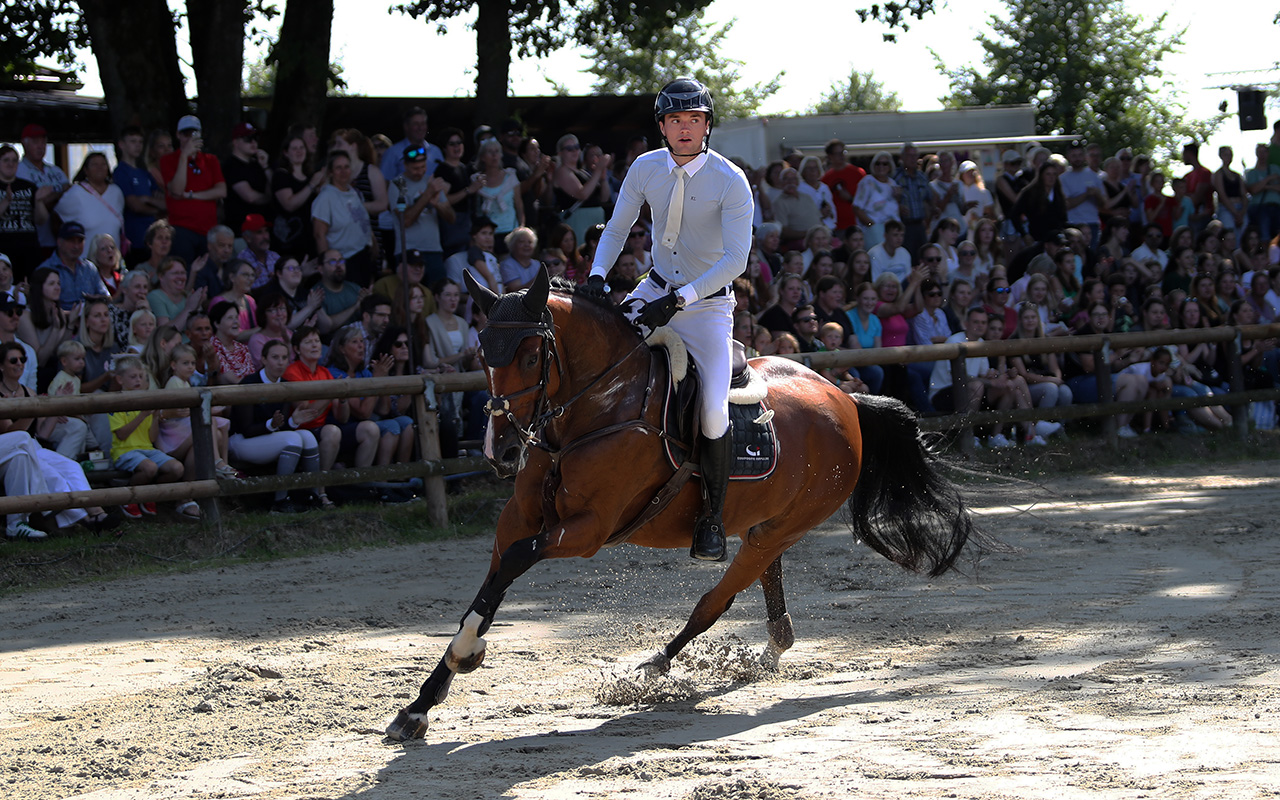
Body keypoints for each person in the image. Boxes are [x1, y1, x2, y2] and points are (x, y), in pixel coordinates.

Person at [583, 77, 750, 562]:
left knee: (715, 412)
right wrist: (596, 275)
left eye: (694, 120)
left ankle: (712, 520)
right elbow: (618, 227)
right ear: (662, 125)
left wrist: (682, 300)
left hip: (707, 305)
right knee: (599, 366)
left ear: (707, 126)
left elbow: (737, 259)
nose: (685, 128)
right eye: (676, 120)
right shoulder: (645, 168)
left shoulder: (730, 179)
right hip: (654, 287)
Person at [230, 338, 331, 513]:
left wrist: (293, 421)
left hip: (266, 439)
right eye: (275, 357)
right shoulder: (249, 383)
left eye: (284, 358)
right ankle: (280, 500)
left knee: (306, 436)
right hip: (240, 441)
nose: (280, 362)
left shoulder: (284, 385)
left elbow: (280, 430)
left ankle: (312, 495)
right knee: (293, 438)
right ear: (263, 359)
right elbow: (246, 429)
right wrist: (271, 424)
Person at [109, 355, 194, 520]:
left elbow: (152, 438)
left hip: (147, 449)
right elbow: (121, 434)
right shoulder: (115, 401)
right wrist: (142, 415)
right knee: (150, 468)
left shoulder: (146, 400)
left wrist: (154, 417)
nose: (138, 381)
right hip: (124, 451)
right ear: (120, 379)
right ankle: (128, 499)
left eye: (141, 376)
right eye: (133, 377)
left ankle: (149, 496)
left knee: (177, 469)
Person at [159, 115, 227, 265]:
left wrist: (191, 195)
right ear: (178, 135)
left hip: (208, 230)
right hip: (181, 229)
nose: (190, 138)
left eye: (194, 134)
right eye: (186, 134)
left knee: (207, 276)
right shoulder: (168, 160)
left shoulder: (210, 160)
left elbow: (222, 191)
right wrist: (184, 157)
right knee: (183, 272)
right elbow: (177, 191)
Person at [387, 144, 455, 284]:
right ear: (405, 165)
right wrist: (427, 195)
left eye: (423, 167)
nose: (420, 171)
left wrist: (436, 204)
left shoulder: (429, 182)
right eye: (415, 168)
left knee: (438, 293)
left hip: (434, 250)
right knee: (411, 296)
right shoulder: (397, 185)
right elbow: (405, 220)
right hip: (408, 251)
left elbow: (451, 218)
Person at [313, 149, 375, 287]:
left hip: (363, 258)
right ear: (330, 172)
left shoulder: (352, 193)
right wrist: (328, 267)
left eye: (346, 167)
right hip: (344, 263)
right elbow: (319, 235)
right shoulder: (325, 198)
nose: (343, 171)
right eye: (338, 168)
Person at [54, 151, 126, 253]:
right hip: (86, 259)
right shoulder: (75, 193)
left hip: (112, 258)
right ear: (86, 170)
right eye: (94, 165)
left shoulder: (116, 191)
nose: (99, 168)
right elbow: (56, 217)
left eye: (103, 164)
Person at [113, 126, 165, 256]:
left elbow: (166, 203)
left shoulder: (145, 173)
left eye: (140, 142)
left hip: (153, 238)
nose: (137, 146)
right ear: (121, 144)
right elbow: (135, 205)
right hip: (134, 238)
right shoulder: (121, 172)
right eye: (132, 141)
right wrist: (157, 210)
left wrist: (147, 199)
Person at [16, 123, 69, 253]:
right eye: (35, 142)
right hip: (35, 241)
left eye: (43, 142)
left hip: (60, 241)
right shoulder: (18, 171)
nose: (40, 146)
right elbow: (33, 203)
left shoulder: (56, 171)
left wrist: (50, 197)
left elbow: (70, 194)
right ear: (24, 143)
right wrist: (59, 194)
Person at [272, 134, 325, 259]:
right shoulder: (281, 175)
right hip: (289, 242)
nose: (299, 151)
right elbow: (289, 205)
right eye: (294, 148)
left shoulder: (310, 176)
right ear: (286, 153)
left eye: (302, 147)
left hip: (309, 239)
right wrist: (312, 185)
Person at [553, 133, 612, 242]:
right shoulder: (562, 171)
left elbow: (604, 198)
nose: (574, 151)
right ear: (560, 153)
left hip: (596, 221)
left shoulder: (583, 172)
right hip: (579, 222)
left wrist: (603, 178)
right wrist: (598, 170)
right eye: (569, 149)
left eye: (576, 147)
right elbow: (582, 194)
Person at [0, 144, 49, 273]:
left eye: (14, 160)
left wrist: (39, 201)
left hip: (29, 248)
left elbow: (41, 220)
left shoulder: (29, 186)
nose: (10, 164)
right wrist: (6, 201)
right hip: (3, 250)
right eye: (6, 160)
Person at [821, 139, 865, 233]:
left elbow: (867, 200)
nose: (841, 156)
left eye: (843, 152)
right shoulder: (826, 179)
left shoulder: (858, 173)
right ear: (830, 156)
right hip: (836, 226)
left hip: (857, 225)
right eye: (837, 153)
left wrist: (850, 198)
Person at [237, 213, 278, 289]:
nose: (265, 236)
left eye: (266, 231)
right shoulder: (242, 261)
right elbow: (244, 293)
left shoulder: (275, 256)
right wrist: (273, 283)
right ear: (247, 238)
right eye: (259, 232)